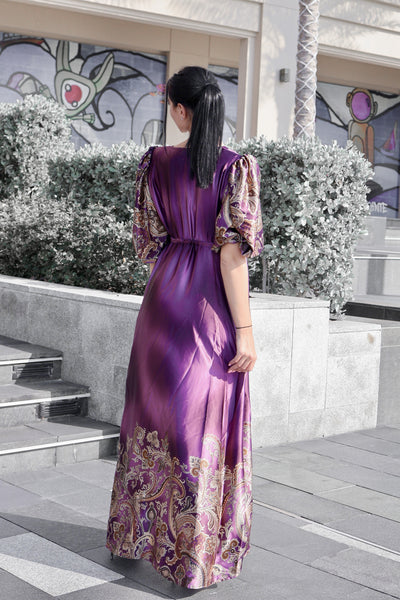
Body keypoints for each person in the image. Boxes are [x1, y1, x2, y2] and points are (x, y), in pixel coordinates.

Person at [106, 66, 263, 589]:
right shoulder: (236, 168)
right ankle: (191, 559)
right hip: (207, 310)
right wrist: (244, 330)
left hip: (162, 300)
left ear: (179, 109)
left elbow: (147, 240)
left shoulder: (154, 163)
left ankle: (131, 535)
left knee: (149, 419)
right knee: (200, 428)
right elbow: (232, 256)